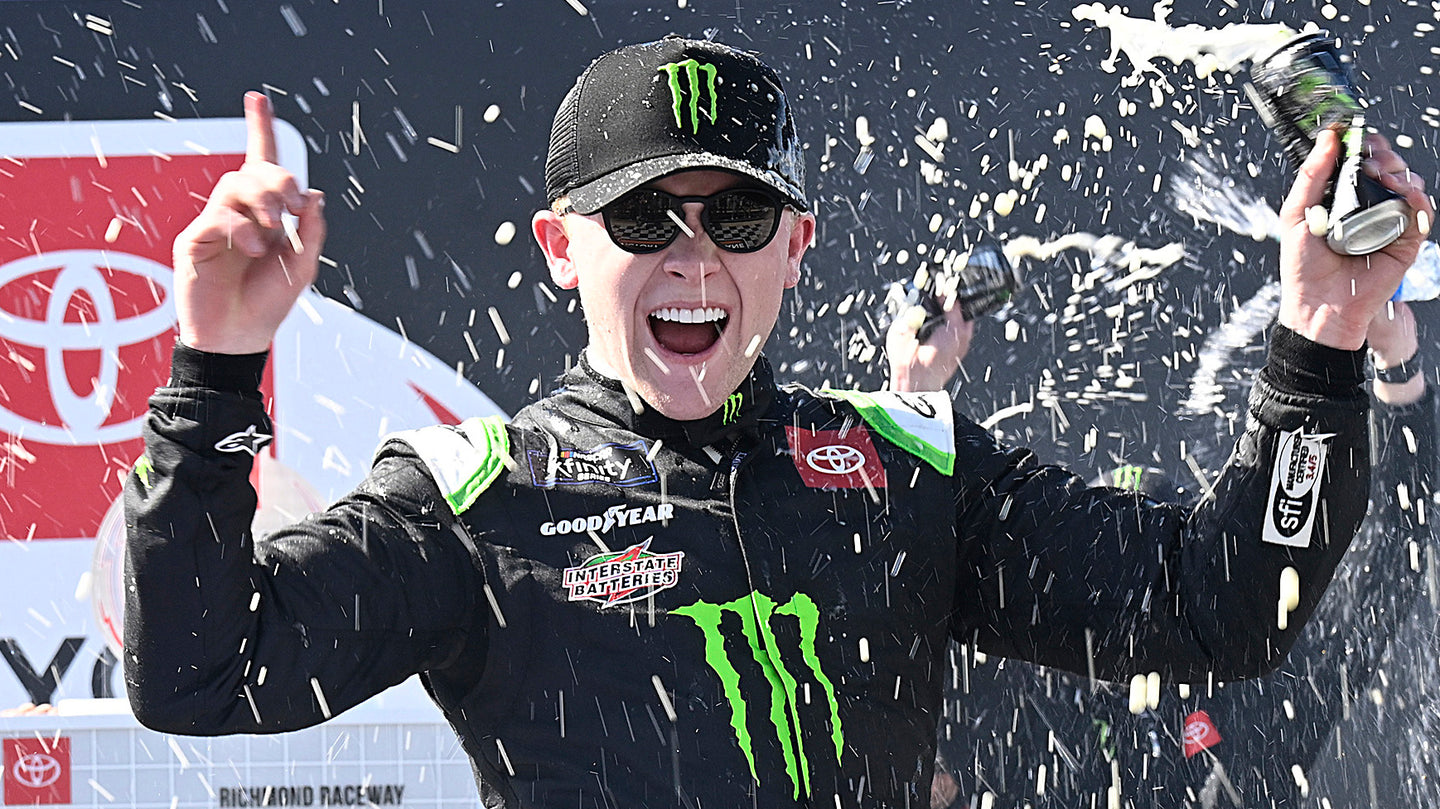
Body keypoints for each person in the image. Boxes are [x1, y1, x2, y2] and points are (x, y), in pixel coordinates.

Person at [123, 36, 1432, 808]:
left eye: (737, 217)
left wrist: (1318, 338)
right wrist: (217, 365)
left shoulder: (908, 467)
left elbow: (1220, 608)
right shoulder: (475, 497)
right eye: (644, 216)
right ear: (560, 249)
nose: (693, 256)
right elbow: (199, 672)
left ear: (796, 247)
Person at [895, 288, 1436, 807]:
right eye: (1117, 576)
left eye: (1158, 583)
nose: (1138, 610)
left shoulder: (1260, 680)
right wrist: (912, 396)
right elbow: (892, 580)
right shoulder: (1019, 675)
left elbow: (1392, 561)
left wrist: (913, 395)